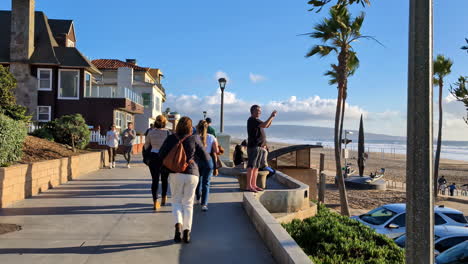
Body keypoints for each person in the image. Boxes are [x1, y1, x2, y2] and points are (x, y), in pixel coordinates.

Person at [158, 116, 210, 243]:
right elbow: (206, 157)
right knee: (188, 204)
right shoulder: (194, 138)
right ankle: (187, 232)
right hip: (192, 173)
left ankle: (178, 226)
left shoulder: (171, 138)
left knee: (176, 201)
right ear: (190, 127)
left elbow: (161, 154)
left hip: (175, 173)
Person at [246, 105, 277, 192]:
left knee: (256, 167)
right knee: (251, 167)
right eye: (258, 111)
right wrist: (271, 116)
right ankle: (249, 186)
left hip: (259, 147)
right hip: (254, 147)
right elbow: (264, 125)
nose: (259, 112)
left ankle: (254, 185)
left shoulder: (256, 120)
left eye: (260, 111)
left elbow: (267, 125)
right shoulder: (252, 120)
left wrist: (272, 118)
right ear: (253, 111)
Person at [144, 115, 171, 210]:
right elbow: (170, 146)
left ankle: (155, 202)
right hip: (164, 158)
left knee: (155, 180)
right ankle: (164, 197)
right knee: (164, 179)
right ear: (164, 123)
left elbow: (146, 145)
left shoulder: (150, 132)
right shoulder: (167, 132)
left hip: (153, 157)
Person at [195, 120, 219, 212]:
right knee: (206, 183)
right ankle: (204, 204)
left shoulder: (195, 137)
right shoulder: (212, 137)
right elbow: (216, 151)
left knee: (198, 180)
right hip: (208, 161)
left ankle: (197, 197)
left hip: (197, 160)